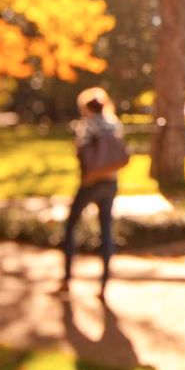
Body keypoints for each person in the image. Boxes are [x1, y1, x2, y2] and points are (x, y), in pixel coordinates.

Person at [57, 87, 128, 299]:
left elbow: (82, 152)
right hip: (111, 182)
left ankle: (67, 279)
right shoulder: (114, 123)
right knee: (106, 230)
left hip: (90, 183)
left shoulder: (88, 125)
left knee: (71, 226)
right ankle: (104, 284)